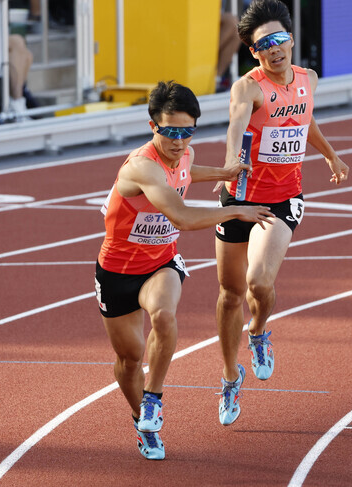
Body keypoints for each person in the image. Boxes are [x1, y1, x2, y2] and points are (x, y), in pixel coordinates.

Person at [95, 80, 273, 460]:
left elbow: (190, 170)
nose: (179, 141)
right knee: (129, 362)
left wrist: (225, 173)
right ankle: (140, 418)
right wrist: (235, 210)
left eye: (187, 132)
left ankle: (154, 399)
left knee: (163, 313)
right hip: (117, 271)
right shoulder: (143, 167)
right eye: (170, 132)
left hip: (161, 263)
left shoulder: (185, 154)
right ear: (152, 127)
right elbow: (181, 215)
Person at [213, 0, 349, 426]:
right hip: (239, 198)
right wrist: (230, 162)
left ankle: (258, 332)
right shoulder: (248, 87)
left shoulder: (308, 78)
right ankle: (230, 376)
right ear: (253, 52)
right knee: (230, 295)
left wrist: (330, 155)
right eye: (263, 44)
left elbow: (304, 120)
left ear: (291, 38)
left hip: (282, 199)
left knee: (258, 281)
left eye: (279, 39)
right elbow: (236, 125)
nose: (274, 48)